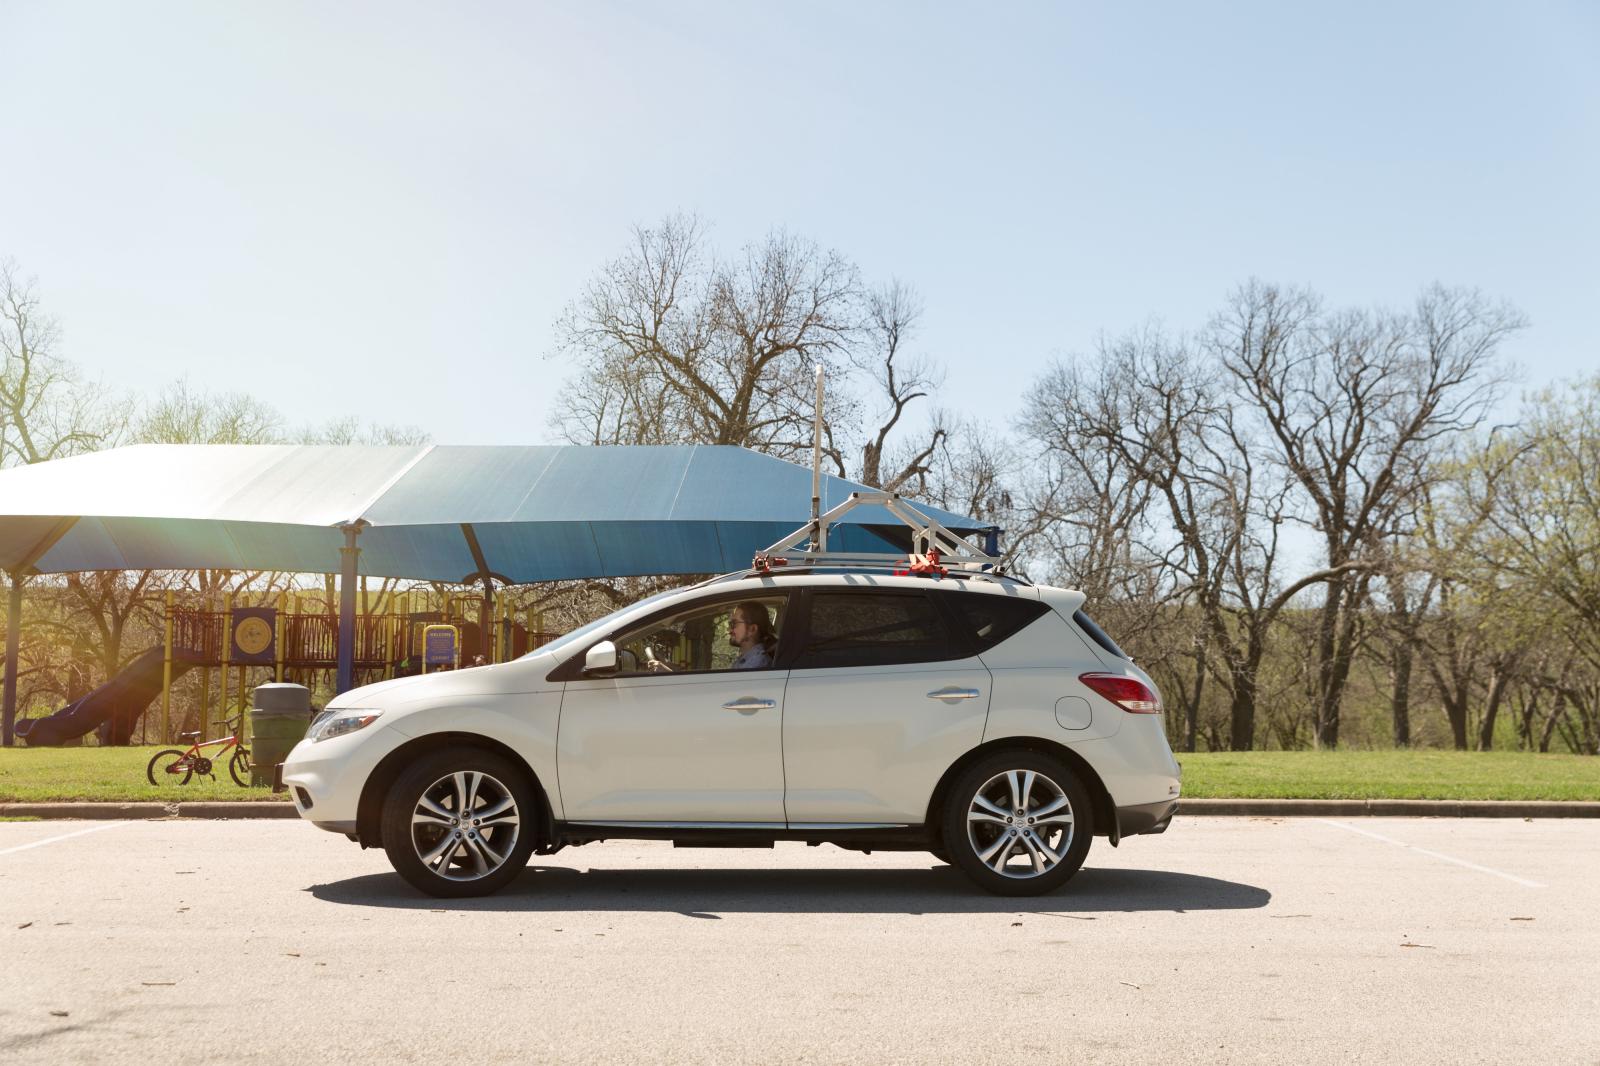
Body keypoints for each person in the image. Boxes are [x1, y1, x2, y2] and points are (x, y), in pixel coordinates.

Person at [728, 601, 777, 670]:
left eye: (734, 624)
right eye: (730, 624)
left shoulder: (756, 664)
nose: (729, 630)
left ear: (752, 629)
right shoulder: (748, 659)